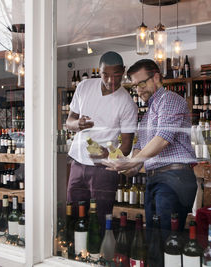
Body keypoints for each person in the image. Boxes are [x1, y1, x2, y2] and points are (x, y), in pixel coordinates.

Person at [103, 59, 197, 240]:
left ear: (156, 77)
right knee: (154, 241)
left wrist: (132, 162)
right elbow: (138, 154)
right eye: (135, 86)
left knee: (166, 241)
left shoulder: (169, 99)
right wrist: (122, 166)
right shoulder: (147, 115)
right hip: (156, 180)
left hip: (174, 179)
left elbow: (162, 139)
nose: (138, 90)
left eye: (142, 83)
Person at [66, 51, 138, 233]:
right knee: (72, 215)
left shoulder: (127, 103)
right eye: (106, 74)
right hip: (77, 162)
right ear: (100, 71)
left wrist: (110, 155)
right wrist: (78, 124)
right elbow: (69, 122)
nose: (111, 81)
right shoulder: (84, 87)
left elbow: (127, 144)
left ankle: (98, 257)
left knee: (99, 219)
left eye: (116, 75)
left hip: (104, 169)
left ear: (124, 71)